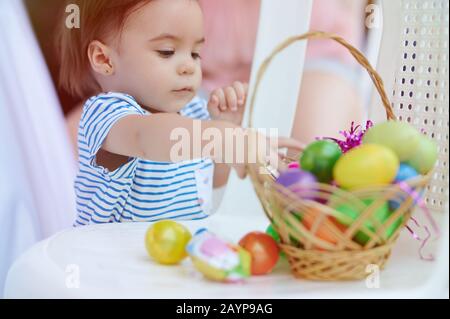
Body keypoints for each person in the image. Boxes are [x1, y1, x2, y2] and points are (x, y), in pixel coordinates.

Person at [56, 0, 299, 226]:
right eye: (166, 51)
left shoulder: (192, 113)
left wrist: (227, 128)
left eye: (195, 53)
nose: (188, 66)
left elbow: (211, 182)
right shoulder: (106, 115)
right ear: (104, 59)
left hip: (170, 259)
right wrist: (223, 137)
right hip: (105, 262)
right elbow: (147, 138)